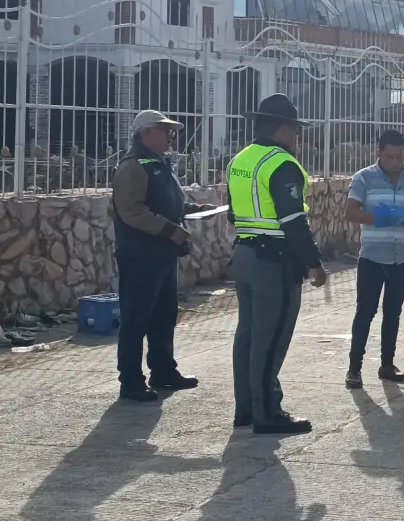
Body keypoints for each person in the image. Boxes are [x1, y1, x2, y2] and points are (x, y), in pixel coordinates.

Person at [227, 94, 327, 435]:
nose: (297, 136)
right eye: (295, 129)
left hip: (243, 255)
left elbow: (232, 212)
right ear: (282, 127)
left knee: (248, 336)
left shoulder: (240, 159)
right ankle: (267, 412)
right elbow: (293, 221)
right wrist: (314, 263)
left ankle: (246, 409)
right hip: (274, 262)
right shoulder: (282, 164)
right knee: (270, 339)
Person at [111, 110, 215, 401]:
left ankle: (163, 371)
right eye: (164, 129)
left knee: (163, 316)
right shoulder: (133, 166)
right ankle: (130, 380)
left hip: (162, 254)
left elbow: (170, 205)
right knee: (137, 318)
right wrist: (171, 230)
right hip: (141, 255)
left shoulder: (157, 163)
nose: (171, 135)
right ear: (145, 132)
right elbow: (132, 212)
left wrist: (194, 211)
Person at [343, 130, 404, 389]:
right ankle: (354, 369)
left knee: (393, 313)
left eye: (399, 157)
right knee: (365, 312)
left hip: (402, 257)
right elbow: (351, 212)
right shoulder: (364, 178)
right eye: (389, 156)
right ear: (378, 154)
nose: (395, 162)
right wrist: (381, 218)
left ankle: (387, 364)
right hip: (372, 258)